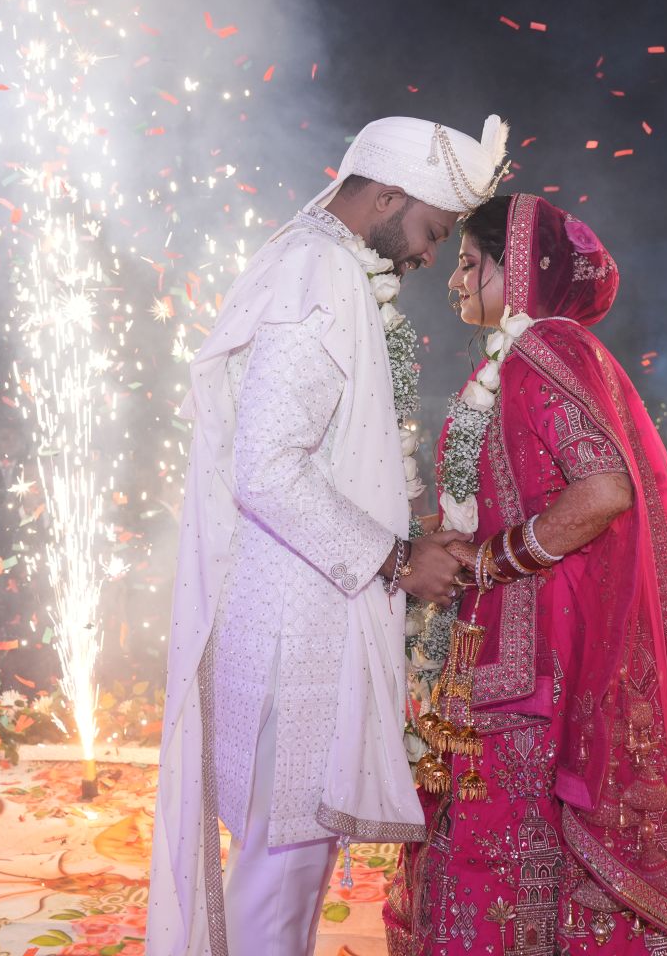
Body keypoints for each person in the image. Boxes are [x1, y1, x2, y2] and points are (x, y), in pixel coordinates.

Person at [385, 193, 667, 955]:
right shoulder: (520, 357)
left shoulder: (545, 347)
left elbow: (604, 489)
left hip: (538, 659)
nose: (453, 280)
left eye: (470, 263)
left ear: (520, 269)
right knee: (507, 847)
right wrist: (440, 539)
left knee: (516, 845)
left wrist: (491, 558)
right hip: (503, 650)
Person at [147, 114, 503, 956]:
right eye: (432, 231)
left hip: (300, 609)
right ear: (386, 197)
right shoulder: (319, 270)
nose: (430, 257)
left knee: (283, 877)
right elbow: (269, 468)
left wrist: (408, 532)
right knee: (281, 884)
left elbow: (322, 459)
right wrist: (397, 558)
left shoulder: (318, 261)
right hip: (297, 630)